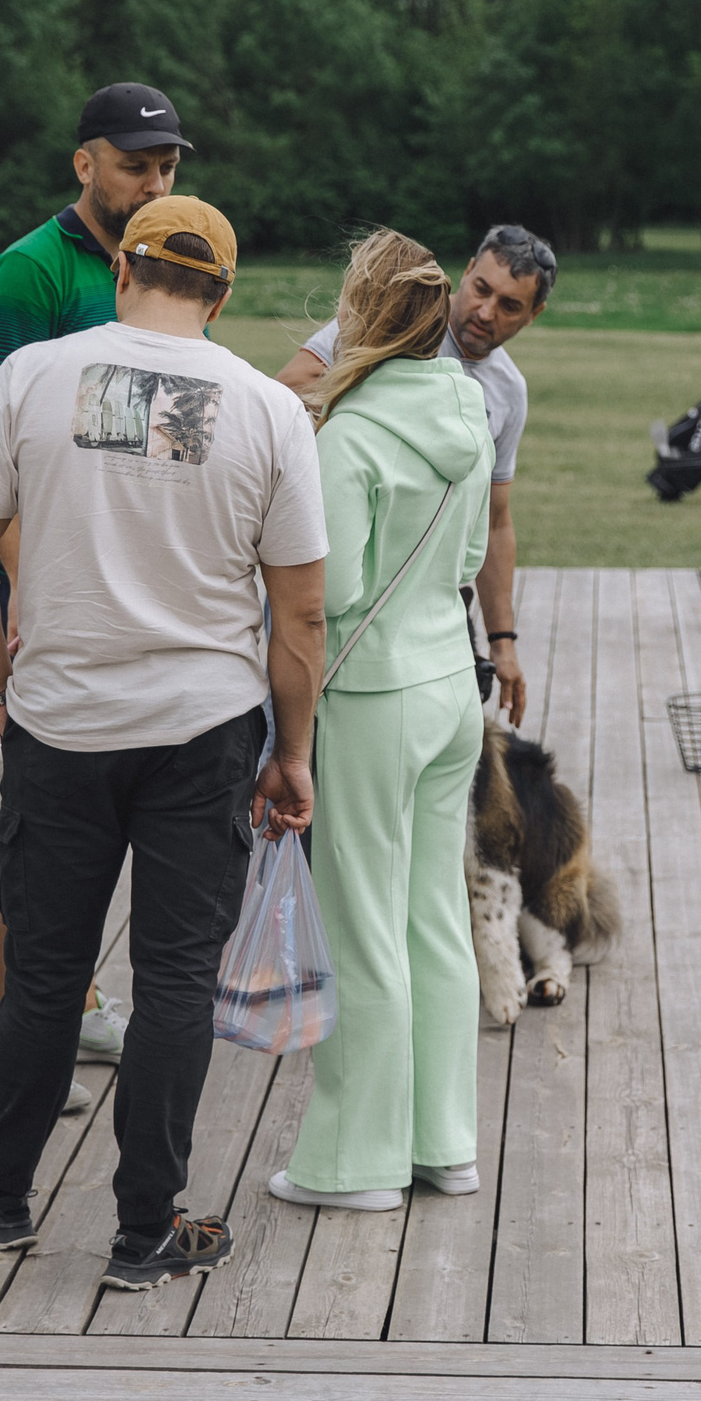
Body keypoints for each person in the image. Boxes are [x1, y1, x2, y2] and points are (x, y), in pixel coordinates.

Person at [0, 194, 329, 1294]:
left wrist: (1, 687)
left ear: (121, 272)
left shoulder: (32, 377)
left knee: (46, 973)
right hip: (203, 728)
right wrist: (291, 751)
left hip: (61, 721)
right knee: (176, 980)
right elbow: (300, 614)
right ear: (222, 294)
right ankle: (148, 1227)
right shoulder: (268, 408)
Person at [0, 82, 192, 1083]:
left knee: (124, 810)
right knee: (41, 825)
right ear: (84, 164)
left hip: (145, 587)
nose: (155, 183)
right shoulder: (28, 275)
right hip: (52, 585)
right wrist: (32, 590)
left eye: (167, 166)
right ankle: (15, 1038)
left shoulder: (169, 262)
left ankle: (81, 1004)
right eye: (136, 165)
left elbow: (172, 431)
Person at [268, 230, 494, 1213]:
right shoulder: (468, 410)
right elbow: (468, 559)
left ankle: (355, 1162)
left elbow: (329, 595)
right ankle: (443, 1143)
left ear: (358, 311)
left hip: (372, 696)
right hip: (450, 685)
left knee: (361, 927)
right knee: (433, 920)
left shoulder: (351, 434)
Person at [277, 224, 550, 726]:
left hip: (432, 599)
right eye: (482, 289)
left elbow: (494, 521)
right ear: (467, 271)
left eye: (510, 306)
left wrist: (503, 642)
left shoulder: (509, 392)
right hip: (354, 594)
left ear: (534, 314)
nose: (486, 311)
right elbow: (289, 393)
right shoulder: (393, 316)